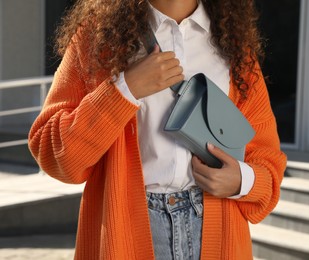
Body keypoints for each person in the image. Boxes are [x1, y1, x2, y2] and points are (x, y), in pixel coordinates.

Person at [28, 0, 287, 259]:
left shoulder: (233, 45)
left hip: (218, 230)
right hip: (126, 232)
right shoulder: (98, 35)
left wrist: (241, 180)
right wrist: (124, 90)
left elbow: (269, 165)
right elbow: (54, 155)